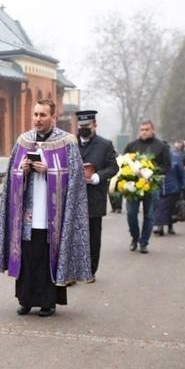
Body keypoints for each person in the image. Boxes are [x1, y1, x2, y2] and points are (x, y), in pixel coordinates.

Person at [0, 99, 92, 317]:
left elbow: (75, 179)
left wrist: (50, 171)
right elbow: (11, 176)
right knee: (28, 255)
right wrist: (23, 170)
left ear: (53, 118)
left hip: (52, 214)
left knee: (48, 254)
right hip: (27, 211)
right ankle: (25, 300)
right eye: (35, 114)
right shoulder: (23, 141)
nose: (38, 119)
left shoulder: (67, 142)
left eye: (43, 115)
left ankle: (48, 302)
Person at [76, 109, 118, 279]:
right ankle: (74, 269)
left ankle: (90, 270)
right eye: (80, 126)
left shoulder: (105, 145)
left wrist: (97, 176)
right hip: (74, 197)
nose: (83, 129)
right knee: (75, 235)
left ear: (94, 125)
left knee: (93, 236)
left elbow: (114, 167)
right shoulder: (70, 143)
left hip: (94, 196)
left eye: (86, 125)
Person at [123, 120, 170, 253]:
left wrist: (152, 174)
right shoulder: (132, 145)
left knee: (149, 215)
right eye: (142, 129)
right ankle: (134, 237)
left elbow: (167, 165)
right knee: (131, 213)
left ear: (153, 130)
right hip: (133, 185)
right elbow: (123, 163)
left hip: (152, 185)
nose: (144, 132)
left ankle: (144, 242)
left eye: (147, 129)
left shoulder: (161, 146)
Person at [154, 146, 185, 236]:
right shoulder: (155, 158)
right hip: (158, 188)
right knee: (159, 208)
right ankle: (160, 226)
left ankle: (170, 226)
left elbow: (182, 173)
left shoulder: (175, 158)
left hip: (173, 188)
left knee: (171, 209)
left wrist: (184, 186)